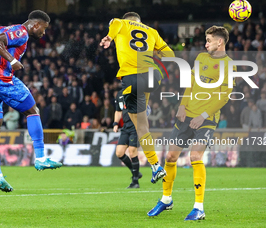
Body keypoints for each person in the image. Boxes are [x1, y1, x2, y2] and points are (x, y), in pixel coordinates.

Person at [0, 10, 63, 193]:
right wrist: (12, 60)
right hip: (0, 76)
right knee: (33, 111)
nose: (44, 33)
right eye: (44, 28)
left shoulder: (4, 29)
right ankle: (40, 157)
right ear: (35, 25)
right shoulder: (21, 32)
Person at [148, 26, 236, 220]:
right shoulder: (201, 58)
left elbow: (224, 96)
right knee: (170, 157)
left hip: (207, 119)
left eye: (209, 40)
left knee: (195, 156)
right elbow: (191, 84)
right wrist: (182, 105)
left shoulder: (229, 65)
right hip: (187, 115)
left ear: (219, 42)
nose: (205, 44)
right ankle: (166, 199)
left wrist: (203, 115)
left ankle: (198, 207)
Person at [100, 12, 175, 183]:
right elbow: (170, 55)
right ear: (139, 21)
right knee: (142, 117)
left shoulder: (121, 23)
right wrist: (154, 51)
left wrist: (109, 37)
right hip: (153, 75)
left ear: (128, 20)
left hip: (131, 77)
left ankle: (156, 166)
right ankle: (144, 107)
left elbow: (116, 24)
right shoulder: (152, 31)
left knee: (140, 126)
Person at [113, 90, 142, 189]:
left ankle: (135, 181)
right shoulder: (120, 94)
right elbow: (118, 110)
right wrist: (116, 123)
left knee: (132, 151)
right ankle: (136, 173)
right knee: (119, 153)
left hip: (136, 125)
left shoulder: (135, 91)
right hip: (126, 126)